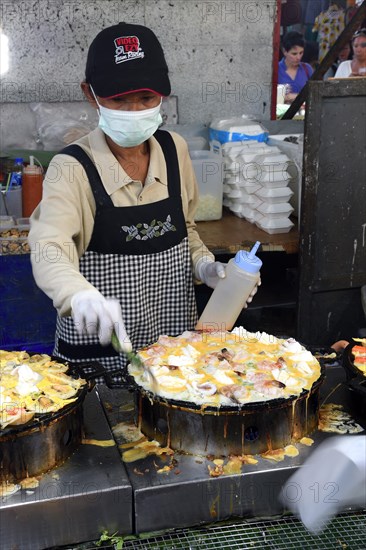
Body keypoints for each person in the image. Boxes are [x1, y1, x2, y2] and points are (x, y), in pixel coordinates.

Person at [28, 23, 258, 375]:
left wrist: (206, 266)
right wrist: (76, 294)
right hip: (101, 359)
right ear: (90, 94)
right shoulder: (70, 168)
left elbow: (187, 229)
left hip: (174, 352)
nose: (135, 110)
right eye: (119, 99)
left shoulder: (174, 149)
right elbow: (49, 248)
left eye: (147, 99)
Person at [278, 31, 314, 103]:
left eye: (301, 53)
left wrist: (293, 96)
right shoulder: (276, 69)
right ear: (284, 51)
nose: (298, 57)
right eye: (294, 54)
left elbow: (315, 94)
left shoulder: (307, 69)